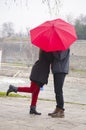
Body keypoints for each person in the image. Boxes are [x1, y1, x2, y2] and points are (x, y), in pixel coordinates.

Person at [6, 49, 53, 115]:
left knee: (36, 91)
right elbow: (51, 59)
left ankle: (32, 109)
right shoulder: (46, 50)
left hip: (40, 73)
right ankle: (13, 88)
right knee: (32, 89)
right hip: (38, 73)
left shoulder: (46, 50)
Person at [48, 48, 70, 118]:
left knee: (58, 90)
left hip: (61, 70)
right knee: (57, 90)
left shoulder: (65, 47)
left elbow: (60, 57)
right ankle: (58, 108)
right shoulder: (59, 47)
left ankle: (61, 110)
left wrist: (53, 50)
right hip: (57, 70)